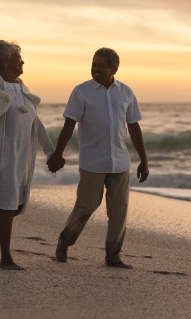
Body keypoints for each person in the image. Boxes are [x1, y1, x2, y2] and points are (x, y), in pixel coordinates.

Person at [47, 47, 149, 269]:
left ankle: (113, 255)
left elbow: (134, 127)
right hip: (92, 162)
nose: (95, 69)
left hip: (120, 162)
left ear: (114, 69)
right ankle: (65, 241)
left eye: (101, 66)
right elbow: (69, 124)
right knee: (86, 206)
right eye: (93, 64)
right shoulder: (81, 92)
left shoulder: (126, 92)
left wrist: (144, 159)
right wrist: (58, 153)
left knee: (119, 212)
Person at [0, 40, 55, 270]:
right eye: (17, 57)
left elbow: (35, 121)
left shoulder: (22, 87)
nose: (22, 61)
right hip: (1, 158)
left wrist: (50, 150)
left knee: (13, 206)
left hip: (22, 157)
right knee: (7, 206)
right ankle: (6, 258)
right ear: (5, 61)